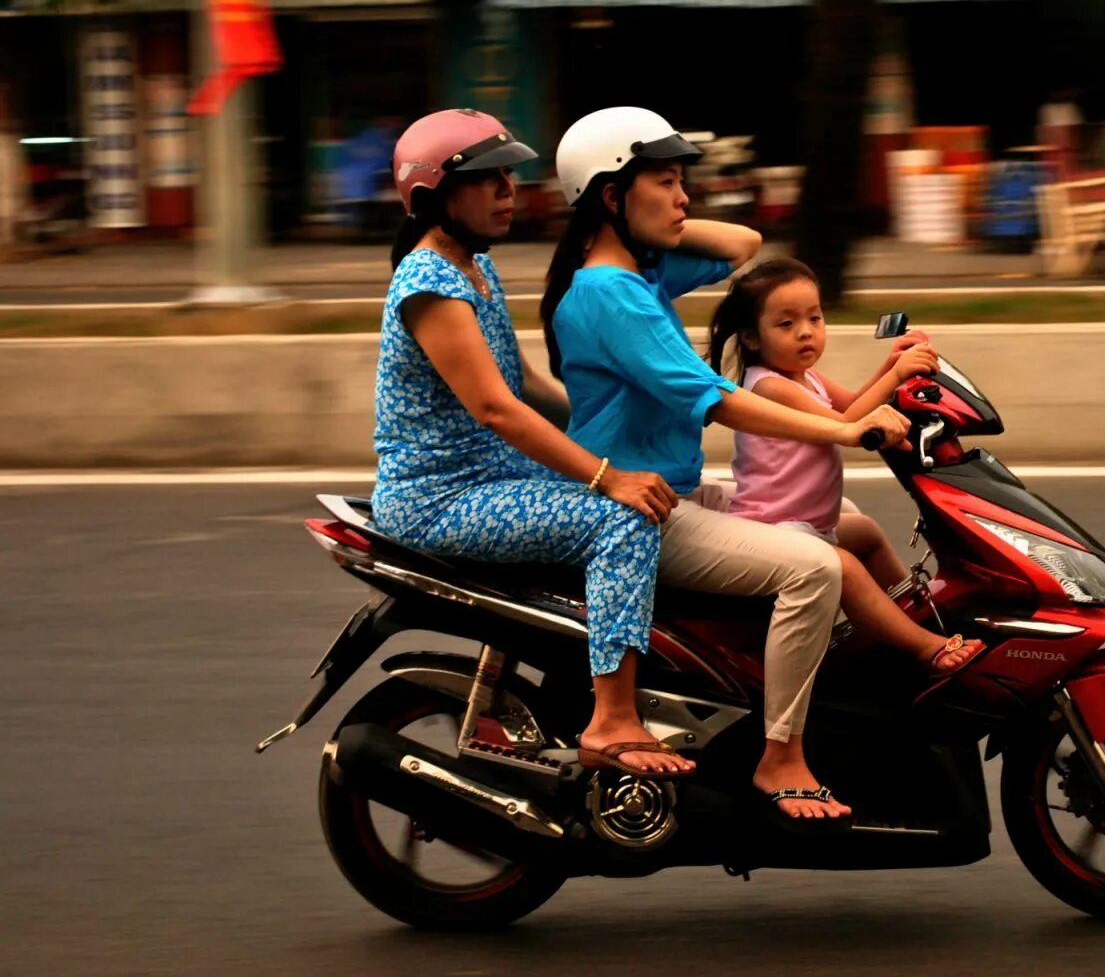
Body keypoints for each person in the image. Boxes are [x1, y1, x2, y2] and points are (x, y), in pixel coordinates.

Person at [542, 106, 910, 822]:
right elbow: (719, 401)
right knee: (813, 567)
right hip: (640, 507)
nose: (686, 201)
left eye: (685, 183)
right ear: (613, 197)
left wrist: (652, 218)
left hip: (669, 489)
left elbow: (745, 242)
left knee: (848, 522)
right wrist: (844, 429)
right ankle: (781, 755)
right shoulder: (611, 294)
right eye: (668, 183)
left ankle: (886, 650)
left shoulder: (639, 273)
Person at [373, 108, 693, 779]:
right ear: (434, 196)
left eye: (510, 178)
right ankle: (611, 719)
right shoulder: (429, 282)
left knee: (638, 484)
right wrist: (608, 475)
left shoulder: (473, 267)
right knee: (620, 521)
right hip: (443, 497)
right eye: (488, 180)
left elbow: (520, 379)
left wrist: (610, 421)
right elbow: (496, 408)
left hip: (490, 474)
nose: (509, 192)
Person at [706, 257, 985, 673]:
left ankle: (910, 614)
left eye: (814, 318)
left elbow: (855, 402)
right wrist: (895, 376)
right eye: (786, 324)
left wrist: (892, 366)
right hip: (777, 527)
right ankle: (922, 645)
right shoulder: (767, 386)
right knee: (847, 568)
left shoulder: (807, 378)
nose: (806, 332)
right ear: (750, 338)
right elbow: (847, 425)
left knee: (867, 533)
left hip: (810, 522)